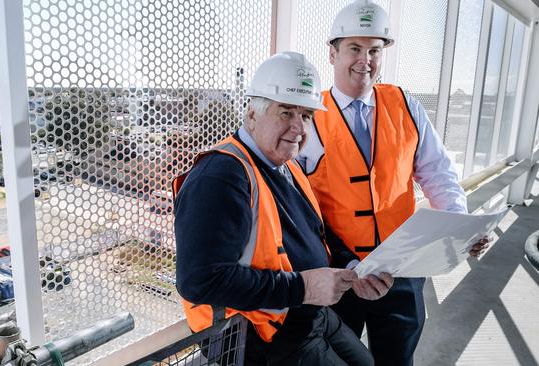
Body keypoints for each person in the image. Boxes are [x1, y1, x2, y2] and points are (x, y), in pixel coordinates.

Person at [298, 1, 491, 365]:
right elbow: (296, 206)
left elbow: (439, 174)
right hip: (339, 274)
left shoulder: (406, 106)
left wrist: (460, 226)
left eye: (374, 50)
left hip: (402, 271)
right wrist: (344, 267)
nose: (365, 60)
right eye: (355, 48)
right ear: (332, 52)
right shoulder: (309, 117)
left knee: (397, 359)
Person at [174, 52, 374, 365]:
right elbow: (199, 281)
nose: (298, 126)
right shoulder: (221, 176)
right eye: (286, 112)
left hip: (308, 315)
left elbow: (315, 232)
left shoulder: (286, 166)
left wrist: (352, 267)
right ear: (252, 115)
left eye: (306, 115)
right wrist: (303, 288)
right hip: (262, 338)